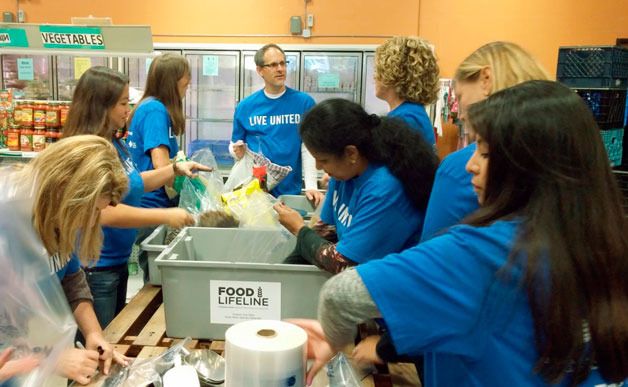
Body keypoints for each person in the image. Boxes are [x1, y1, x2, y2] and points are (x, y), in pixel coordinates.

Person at [292, 81, 628, 386]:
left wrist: (331, 340)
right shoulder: (609, 241)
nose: (470, 164)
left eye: (483, 151)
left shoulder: (483, 252)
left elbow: (341, 296)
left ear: (525, 164)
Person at [63, 66, 210, 328]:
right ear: (101, 105)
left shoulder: (114, 143)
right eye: (122, 103)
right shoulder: (88, 150)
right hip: (96, 267)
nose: (128, 110)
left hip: (115, 261)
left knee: (111, 340)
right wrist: (165, 214)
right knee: (100, 345)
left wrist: (174, 169)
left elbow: (130, 183)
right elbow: (103, 211)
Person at [1, 135, 130, 385]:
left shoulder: (55, 220)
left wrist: (93, 333)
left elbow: (71, 278)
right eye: (91, 210)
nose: (92, 222)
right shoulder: (8, 228)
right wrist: (50, 359)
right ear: (64, 191)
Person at [274, 98, 438, 274]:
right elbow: (326, 232)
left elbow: (341, 263)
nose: (318, 167)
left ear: (351, 153)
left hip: (394, 284)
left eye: (323, 160)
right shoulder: (344, 174)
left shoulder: (384, 189)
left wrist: (300, 229)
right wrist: (279, 276)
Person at [420, 41, 551, 241]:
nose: (460, 113)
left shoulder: (460, 168)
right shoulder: (554, 155)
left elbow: (430, 257)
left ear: (486, 79)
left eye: (460, 95)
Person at [125, 53, 192, 282]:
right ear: (172, 80)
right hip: (152, 205)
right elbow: (161, 164)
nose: (188, 82)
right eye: (186, 77)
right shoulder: (155, 110)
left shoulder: (148, 106)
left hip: (145, 204)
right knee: (159, 281)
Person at [231, 43, 323, 204]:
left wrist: (311, 185)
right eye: (273, 65)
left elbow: (308, 147)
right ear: (260, 70)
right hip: (254, 194)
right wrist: (235, 151)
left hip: (289, 193)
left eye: (283, 63)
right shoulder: (246, 107)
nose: (280, 69)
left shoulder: (304, 103)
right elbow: (235, 145)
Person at [374, 36, 439, 144]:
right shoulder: (412, 114)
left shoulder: (405, 120)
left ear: (394, 74)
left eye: (379, 70)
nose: (375, 77)